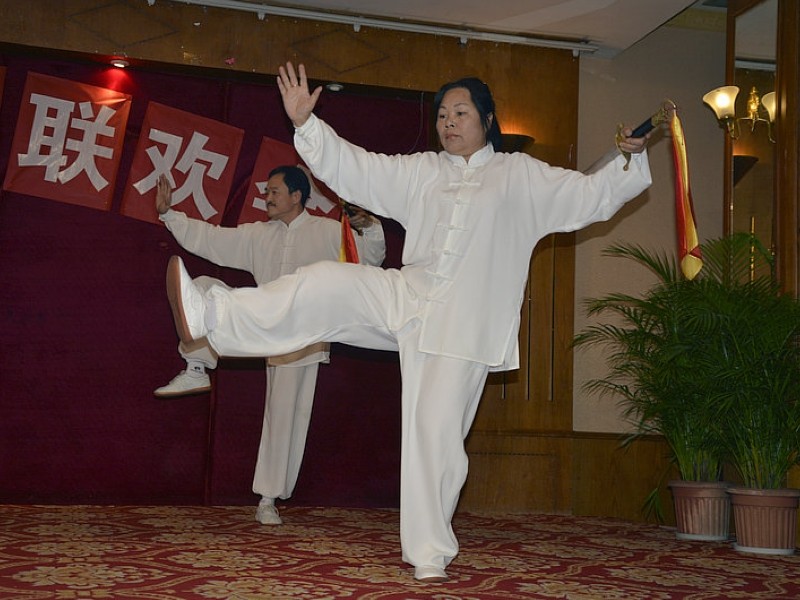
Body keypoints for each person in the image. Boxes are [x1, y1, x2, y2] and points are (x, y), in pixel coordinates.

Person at [164, 62, 652, 583]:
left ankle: (429, 555)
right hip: (411, 294)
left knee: (434, 436)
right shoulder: (423, 171)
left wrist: (626, 158)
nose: (449, 122)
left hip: (464, 324)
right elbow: (358, 168)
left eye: (461, 113)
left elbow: (589, 196)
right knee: (325, 282)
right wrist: (307, 124)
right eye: (442, 115)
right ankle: (213, 314)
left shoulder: (521, 175)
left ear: (488, 120)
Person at [155, 165, 386, 525]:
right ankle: (197, 366)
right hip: (261, 325)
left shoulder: (326, 231)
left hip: (303, 336)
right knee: (201, 288)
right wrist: (170, 214)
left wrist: (369, 227)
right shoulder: (258, 234)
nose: (267, 197)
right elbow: (212, 239)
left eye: (274, 191)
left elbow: (369, 258)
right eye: (266, 192)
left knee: (284, 415)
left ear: (297, 196)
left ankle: (268, 498)